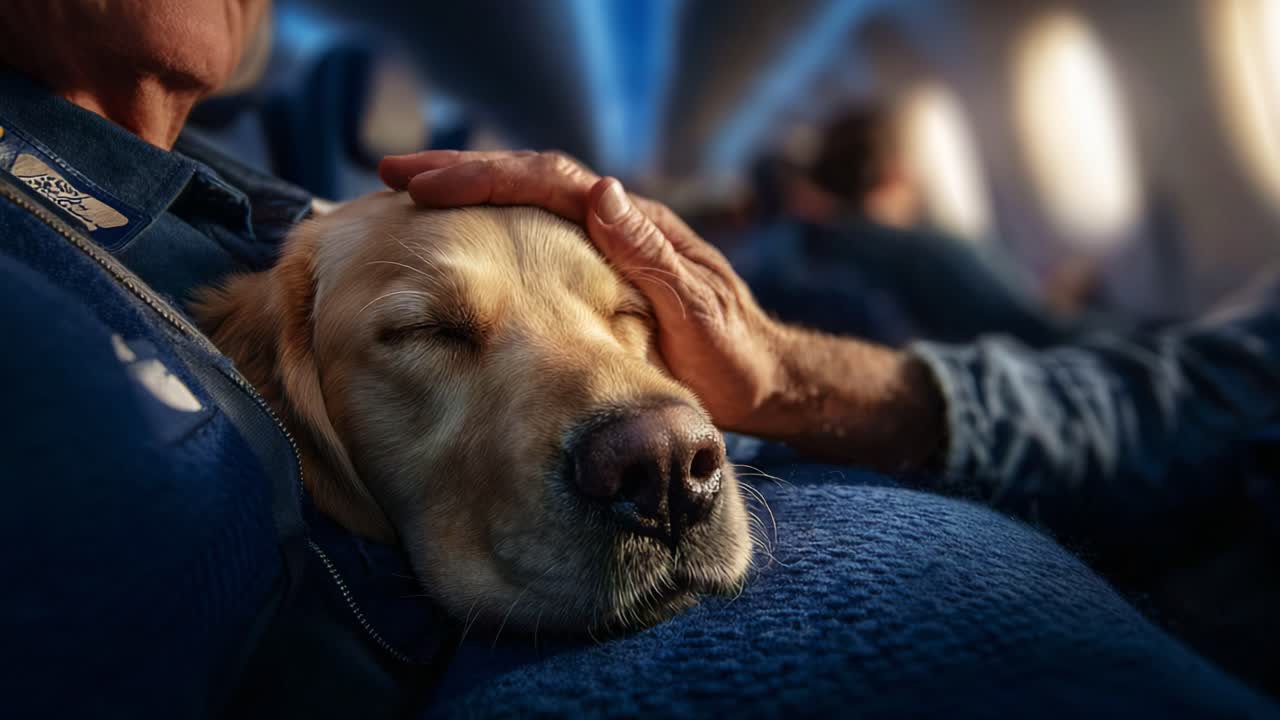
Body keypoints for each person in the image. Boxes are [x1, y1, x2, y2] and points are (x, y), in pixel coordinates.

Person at [1, 3, 1277, 718]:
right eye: (431, 332)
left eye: (618, 321)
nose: (643, 423)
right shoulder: (79, 274)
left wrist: (769, 380)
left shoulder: (249, 199)